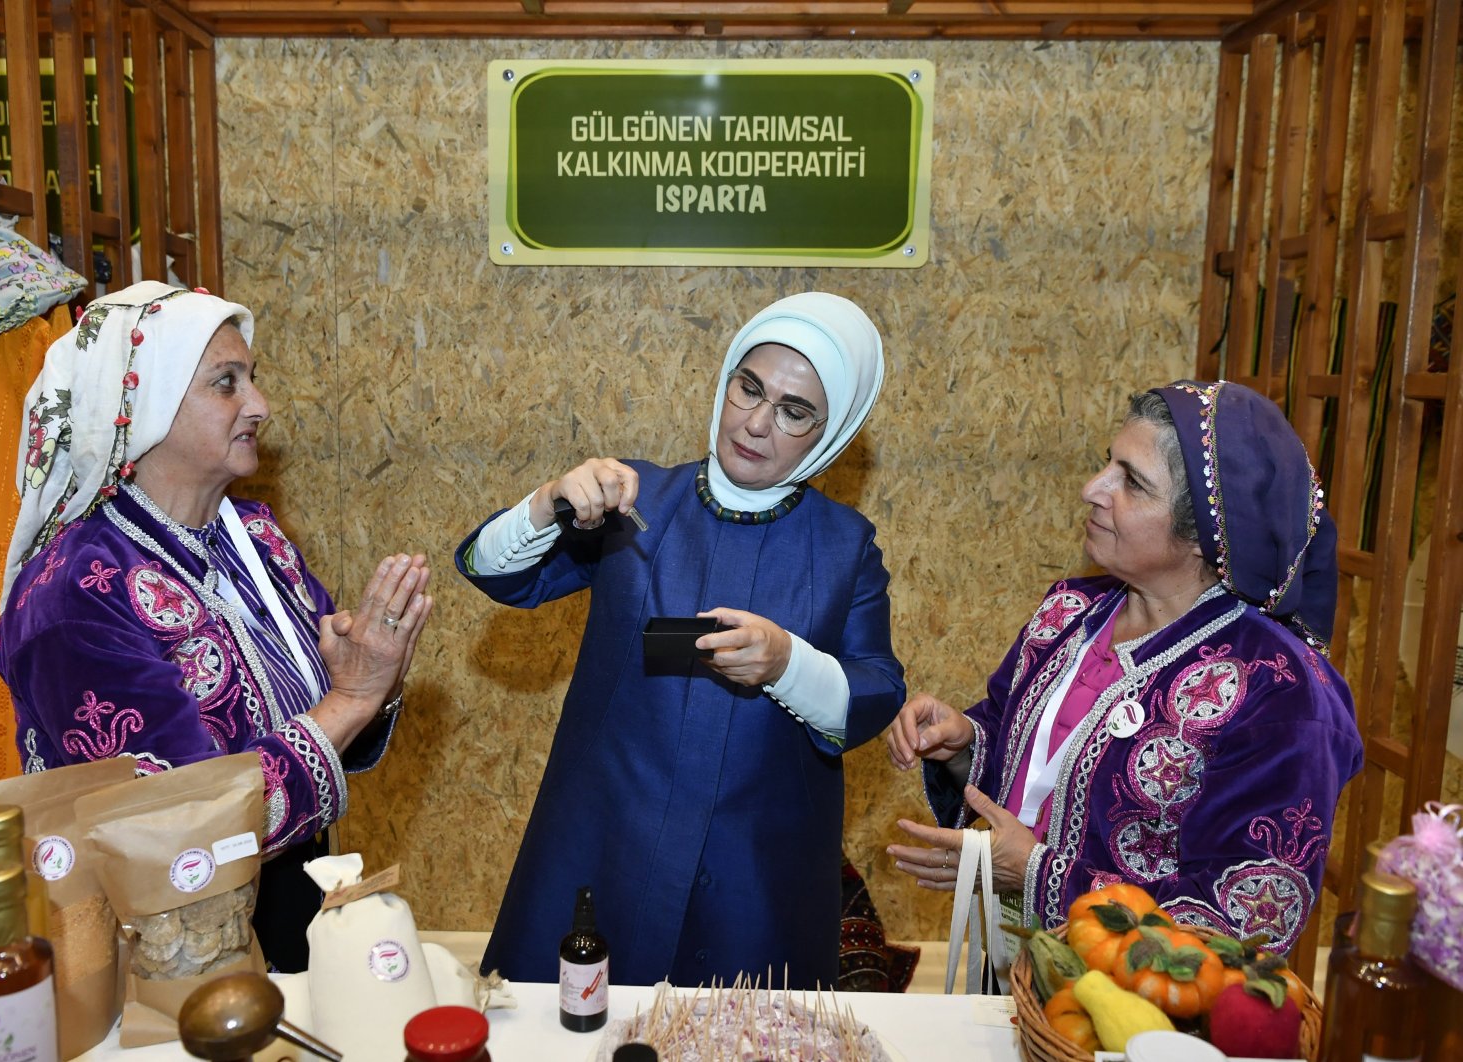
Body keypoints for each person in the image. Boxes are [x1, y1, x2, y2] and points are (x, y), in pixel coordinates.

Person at [457, 292, 905, 988]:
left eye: (793, 411)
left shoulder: (845, 547)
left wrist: (788, 663)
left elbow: (872, 694)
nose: (756, 422)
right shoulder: (636, 505)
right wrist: (547, 500)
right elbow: (494, 570)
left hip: (750, 872)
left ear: (832, 430)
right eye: (748, 387)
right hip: (606, 837)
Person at [0, 281, 433, 971]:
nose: (260, 405)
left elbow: (327, 722)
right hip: (160, 959)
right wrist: (351, 698)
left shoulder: (251, 536)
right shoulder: (74, 597)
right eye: (226, 383)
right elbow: (185, 828)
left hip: (288, 910)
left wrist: (368, 677)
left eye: (251, 379)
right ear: (139, 411)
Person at [885, 381, 1363, 950]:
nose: (1093, 489)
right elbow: (1032, 762)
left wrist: (1041, 875)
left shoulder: (1278, 692)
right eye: (1105, 464)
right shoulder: (1071, 609)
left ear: (1208, 535)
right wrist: (964, 744)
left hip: (1136, 1011)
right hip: (1004, 947)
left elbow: (1248, 922)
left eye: (1132, 482)